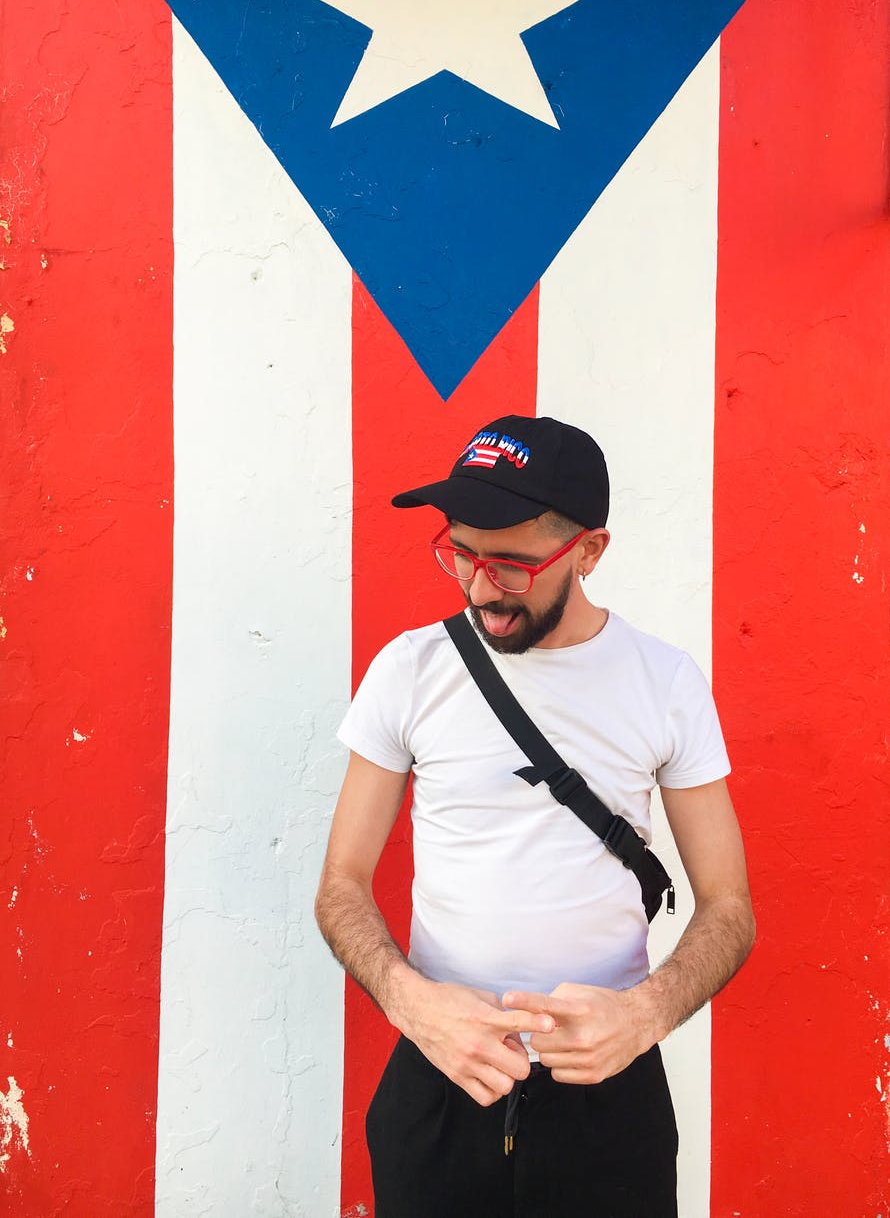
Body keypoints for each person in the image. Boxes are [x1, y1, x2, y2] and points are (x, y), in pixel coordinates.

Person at [317, 414, 755, 1218]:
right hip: (439, 1081)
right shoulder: (408, 670)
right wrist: (409, 1002)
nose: (482, 589)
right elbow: (340, 885)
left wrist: (645, 1015)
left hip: (607, 1098)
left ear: (589, 551)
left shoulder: (664, 682)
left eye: (513, 566)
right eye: (462, 554)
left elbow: (728, 906)